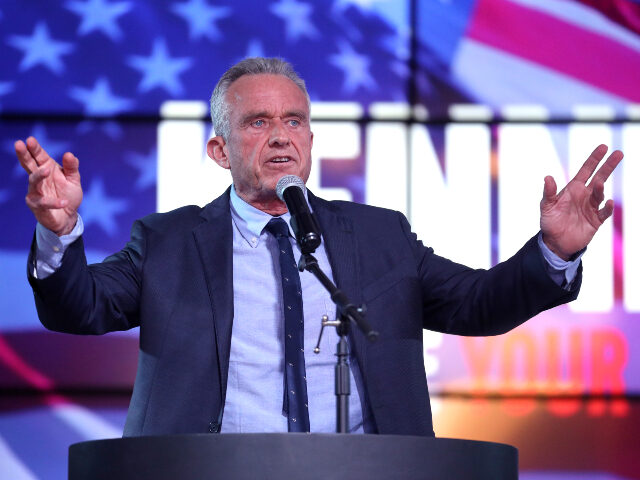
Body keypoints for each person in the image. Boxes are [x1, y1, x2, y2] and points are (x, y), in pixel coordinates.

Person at [15, 57, 622, 437]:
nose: (280, 136)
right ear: (220, 151)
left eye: (295, 120)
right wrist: (59, 232)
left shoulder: (380, 236)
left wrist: (552, 252)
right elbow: (79, 307)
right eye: (257, 122)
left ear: (310, 137)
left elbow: (477, 304)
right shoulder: (168, 242)